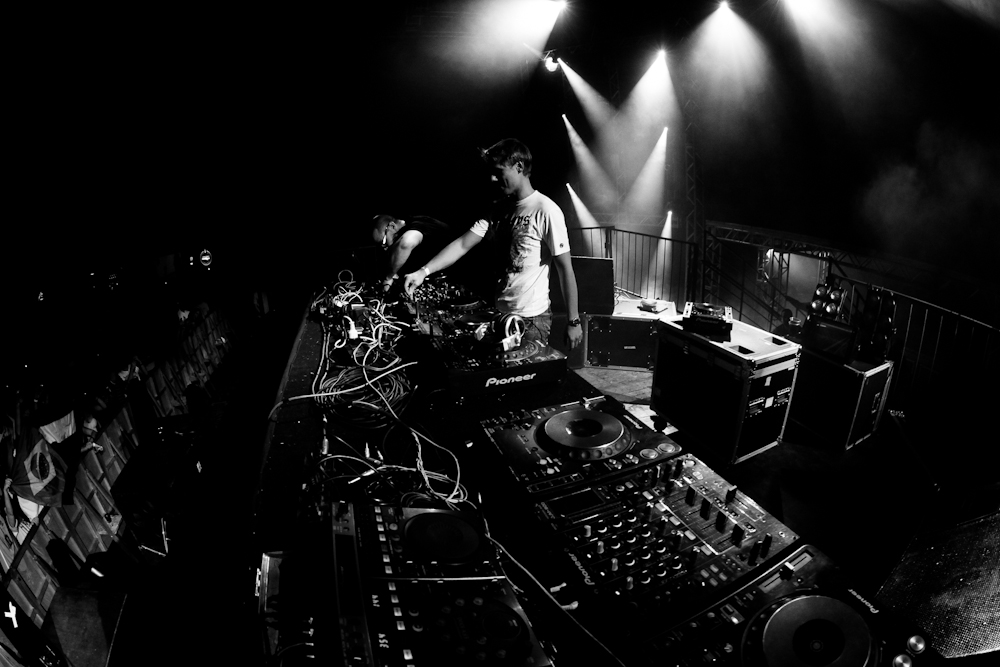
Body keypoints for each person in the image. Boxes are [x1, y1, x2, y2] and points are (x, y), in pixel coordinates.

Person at [403, 138, 583, 348]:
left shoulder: (546, 210)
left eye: (499, 172)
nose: (493, 178)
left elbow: (565, 269)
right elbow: (462, 244)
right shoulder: (498, 210)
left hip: (532, 319)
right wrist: (423, 272)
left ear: (519, 167)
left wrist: (573, 321)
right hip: (499, 314)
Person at [371, 214, 452, 293]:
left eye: (383, 242)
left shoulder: (415, 226)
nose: (385, 248)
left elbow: (406, 243)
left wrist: (388, 277)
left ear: (392, 226)